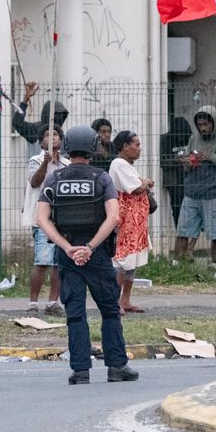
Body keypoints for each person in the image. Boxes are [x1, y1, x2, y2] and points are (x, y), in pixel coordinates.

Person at [36, 125, 139, 385]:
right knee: (109, 311)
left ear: (68, 148)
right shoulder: (102, 178)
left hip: (68, 255)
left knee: (75, 314)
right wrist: (91, 247)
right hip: (98, 254)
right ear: (94, 148)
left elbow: (42, 219)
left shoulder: (54, 179)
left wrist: (67, 247)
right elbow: (114, 217)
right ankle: (117, 367)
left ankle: (80, 371)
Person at [169, 105, 216, 265]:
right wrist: (186, 161)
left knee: (214, 233)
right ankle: (177, 266)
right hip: (191, 193)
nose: (203, 128)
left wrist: (211, 156)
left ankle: (214, 266)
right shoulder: (194, 138)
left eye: (206, 124)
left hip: (213, 194)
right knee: (183, 231)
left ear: (214, 123)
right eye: (200, 125)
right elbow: (187, 157)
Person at [24, 125, 68, 315]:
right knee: (42, 260)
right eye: (47, 135)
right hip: (42, 218)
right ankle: (33, 302)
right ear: (41, 141)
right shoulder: (35, 160)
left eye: (55, 134)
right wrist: (45, 164)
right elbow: (35, 182)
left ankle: (52, 302)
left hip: (60, 219)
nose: (52, 138)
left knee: (58, 262)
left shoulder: (66, 165)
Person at [108, 130, 153, 314]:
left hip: (136, 222)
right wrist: (147, 182)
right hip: (127, 220)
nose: (139, 148)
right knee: (122, 261)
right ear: (125, 146)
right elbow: (135, 188)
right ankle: (115, 301)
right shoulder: (118, 164)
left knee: (132, 262)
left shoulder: (126, 165)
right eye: (136, 144)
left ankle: (125, 300)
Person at [11, 81, 69, 157]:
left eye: (62, 116)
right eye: (56, 115)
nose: (59, 118)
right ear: (48, 114)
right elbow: (17, 122)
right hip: (37, 168)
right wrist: (26, 98)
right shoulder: (34, 130)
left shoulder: (62, 136)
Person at [159, 115, 193, 227]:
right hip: (174, 181)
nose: (180, 138)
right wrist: (175, 160)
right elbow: (161, 161)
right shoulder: (165, 140)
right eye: (178, 134)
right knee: (177, 207)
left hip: (190, 178)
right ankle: (180, 233)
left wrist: (190, 160)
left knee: (191, 208)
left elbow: (197, 156)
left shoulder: (191, 139)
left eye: (182, 134)